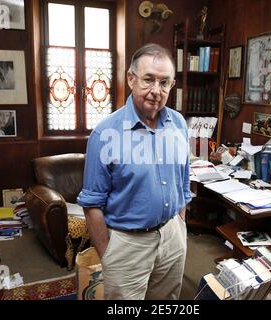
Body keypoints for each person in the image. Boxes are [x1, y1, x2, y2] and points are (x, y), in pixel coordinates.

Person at [77, 43, 192, 300]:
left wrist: (180, 225)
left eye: (164, 82)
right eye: (148, 79)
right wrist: (109, 254)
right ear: (131, 79)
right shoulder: (105, 134)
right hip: (128, 244)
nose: (156, 90)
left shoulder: (179, 125)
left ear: (172, 85)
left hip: (173, 236)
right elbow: (92, 203)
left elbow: (183, 181)